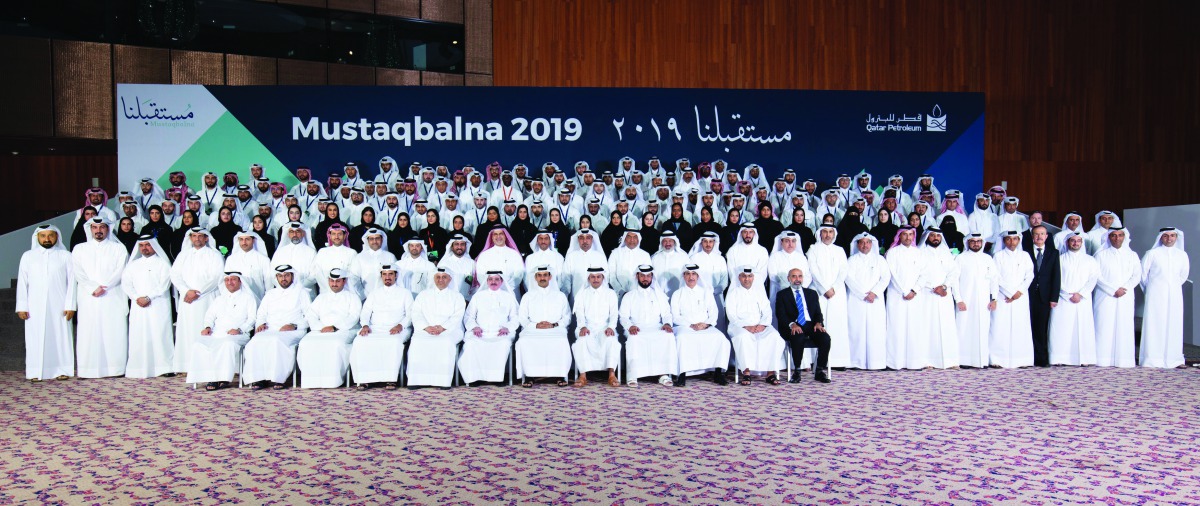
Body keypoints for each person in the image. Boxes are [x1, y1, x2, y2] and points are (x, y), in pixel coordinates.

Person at [16, 225, 76, 381]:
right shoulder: (28, 256)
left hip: (60, 305)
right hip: (34, 306)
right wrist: (22, 306)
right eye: (43, 236)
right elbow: (22, 283)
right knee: (35, 337)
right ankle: (35, 372)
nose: (47, 239)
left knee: (60, 336)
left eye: (51, 235)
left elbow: (72, 283)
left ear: (57, 237)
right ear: (37, 237)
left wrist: (70, 305)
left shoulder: (66, 256)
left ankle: (62, 370)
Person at [73, 217, 130, 378]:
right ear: (90, 229)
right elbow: (78, 272)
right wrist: (93, 287)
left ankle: (115, 369)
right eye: (95, 227)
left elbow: (121, 271)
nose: (98, 231)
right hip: (88, 297)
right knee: (89, 333)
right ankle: (87, 370)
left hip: (112, 296)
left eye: (102, 227)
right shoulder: (79, 249)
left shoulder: (118, 249)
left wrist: (104, 286)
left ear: (108, 229)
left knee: (113, 331)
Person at [243, 265, 312, 390]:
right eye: (280, 276)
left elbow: (310, 317)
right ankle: (259, 378)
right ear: (277, 278)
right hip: (270, 329)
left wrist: (295, 325)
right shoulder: (270, 294)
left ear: (292, 276)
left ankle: (279, 378)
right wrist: (260, 324)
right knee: (255, 342)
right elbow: (261, 314)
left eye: (286, 275)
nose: (283, 278)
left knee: (276, 341)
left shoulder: (302, 293)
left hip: (294, 330)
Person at [189, 271, 257, 391]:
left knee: (227, 344)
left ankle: (220, 379)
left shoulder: (248, 298)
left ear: (240, 281)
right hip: (217, 333)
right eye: (227, 280)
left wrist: (240, 329)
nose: (229, 282)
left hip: (239, 335)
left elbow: (253, 318)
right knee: (199, 344)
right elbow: (210, 315)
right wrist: (208, 327)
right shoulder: (219, 299)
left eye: (233, 279)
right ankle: (207, 377)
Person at [349, 264, 413, 390]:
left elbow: (411, 314)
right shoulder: (374, 293)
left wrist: (401, 325)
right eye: (384, 274)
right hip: (375, 328)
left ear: (396, 276)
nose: (387, 277)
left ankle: (390, 379)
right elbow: (366, 312)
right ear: (381, 276)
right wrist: (365, 325)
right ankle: (364, 379)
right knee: (360, 341)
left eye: (390, 274)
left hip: (398, 328)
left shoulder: (405, 293)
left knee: (393, 342)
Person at [296, 269, 361, 388]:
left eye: (338, 281)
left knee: (335, 344)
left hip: (344, 330)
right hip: (321, 330)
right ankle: (312, 380)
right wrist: (321, 327)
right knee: (305, 343)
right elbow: (311, 315)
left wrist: (335, 327)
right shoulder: (321, 297)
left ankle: (332, 381)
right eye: (332, 280)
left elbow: (354, 317)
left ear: (344, 281)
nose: (334, 284)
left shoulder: (353, 297)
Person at [122, 235, 174, 378]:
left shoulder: (163, 263)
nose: (145, 248)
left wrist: (148, 297)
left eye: (148, 245)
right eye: (142, 245)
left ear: (154, 246)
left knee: (160, 334)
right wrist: (136, 297)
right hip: (138, 305)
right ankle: (138, 368)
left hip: (158, 304)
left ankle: (164, 367)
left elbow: (164, 284)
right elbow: (126, 284)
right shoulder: (133, 265)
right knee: (139, 336)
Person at [618, 265, 678, 387]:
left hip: (656, 326)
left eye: (648, 276)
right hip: (636, 327)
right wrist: (630, 326)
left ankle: (663, 374)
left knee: (668, 336)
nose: (645, 278)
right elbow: (623, 317)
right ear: (637, 276)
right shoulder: (629, 296)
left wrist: (666, 324)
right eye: (642, 275)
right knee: (634, 338)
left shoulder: (659, 295)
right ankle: (633, 375)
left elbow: (666, 313)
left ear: (652, 277)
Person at [671, 264, 730, 386]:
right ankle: (682, 374)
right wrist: (691, 325)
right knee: (682, 339)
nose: (691, 277)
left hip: (705, 326)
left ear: (698, 276)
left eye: (693, 274)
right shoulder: (677, 294)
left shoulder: (706, 292)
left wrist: (706, 324)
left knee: (720, 338)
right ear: (684, 276)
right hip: (685, 327)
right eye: (688, 274)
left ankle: (718, 373)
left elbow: (714, 312)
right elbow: (675, 316)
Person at [406, 269, 466, 388]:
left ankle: (442, 381)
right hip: (425, 329)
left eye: (444, 277)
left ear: (450, 279)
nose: (440, 280)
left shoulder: (457, 296)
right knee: (417, 342)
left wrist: (443, 328)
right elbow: (416, 313)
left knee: (445, 342)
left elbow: (457, 317)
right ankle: (416, 380)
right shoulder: (423, 295)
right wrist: (426, 327)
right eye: (438, 277)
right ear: (434, 279)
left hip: (450, 330)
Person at [726, 268, 787, 386]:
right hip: (740, 326)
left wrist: (762, 325)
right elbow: (731, 315)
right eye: (744, 276)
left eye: (749, 276)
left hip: (760, 325)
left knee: (775, 337)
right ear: (739, 278)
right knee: (743, 338)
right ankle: (746, 372)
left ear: (753, 278)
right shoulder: (733, 293)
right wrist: (746, 326)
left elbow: (767, 311)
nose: (747, 279)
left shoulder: (759, 292)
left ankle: (770, 373)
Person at [515, 266, 573, 387]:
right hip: (532, 329)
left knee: (561, 341)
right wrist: (536, 325)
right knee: (524, 341)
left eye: (545, 275)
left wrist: (554, 325)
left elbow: (567, 317)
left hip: (555, 329)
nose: (542, 278)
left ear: (550, 277)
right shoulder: (527, 296)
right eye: (539, 275)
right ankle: (529, 375)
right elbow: (522, 318)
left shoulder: (560, 295)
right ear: (535, 278)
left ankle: (559, 375)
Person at [1048, 233, 1100, 366]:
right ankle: (1059, 358)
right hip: (1063, 299)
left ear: (1082, 243)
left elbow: (1093, 279)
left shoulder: (1090, 260)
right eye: (1073, 241)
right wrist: (1068, 294)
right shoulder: (1059, 259)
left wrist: (1081, 294)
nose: (1076, 243)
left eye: (1078, 241)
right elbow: (1055, 279)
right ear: (1067, 242)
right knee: (1061, 329)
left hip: (1083, 300)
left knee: (1083, 329)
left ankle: (1084, 359)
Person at [459, 271, 520, 385]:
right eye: (490, 279)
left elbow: (515, 317)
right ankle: (474, 378)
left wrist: (508, 328)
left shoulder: (508, 297)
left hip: (500, 333)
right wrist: (474, 327)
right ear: (486, 282)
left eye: (497, 279)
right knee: (471, 344)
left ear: (501, 282)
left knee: (503, 344)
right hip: (480, 332)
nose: (493, 282)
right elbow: (469, 316)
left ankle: (496, 378)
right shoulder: (478, 296)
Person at [1140, 228, 1189, 368]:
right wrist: (1151, 290)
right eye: (1166, 236)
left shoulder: (1182, 255)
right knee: (1154, 324)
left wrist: (1171, 287)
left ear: (1176, 237)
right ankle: (1152, 359)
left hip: (1174, 295)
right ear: (1161, 237)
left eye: (1172, 236)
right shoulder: (1152, 253)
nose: (1169, 239)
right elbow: (1143, 275)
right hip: (1155, 295)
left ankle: (1174, 360)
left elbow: (1183, 276)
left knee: (1174, 325)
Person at [774, 268, 832, 383]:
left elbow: (818, 313)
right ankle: (797, 371)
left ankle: (819, 370)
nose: (797, 279)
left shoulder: (811, 293)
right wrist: (792, 324)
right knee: (798, 337)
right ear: (788, 279)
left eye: (800, 276)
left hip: (811, 325)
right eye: (794, 276)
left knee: (825, 338)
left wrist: (818, 323)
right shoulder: (782, 294)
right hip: (793, 325)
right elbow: (780, 315)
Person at [1092, 227, 1139, 367]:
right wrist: (1112, 290)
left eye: (1120, 235)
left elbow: (1136, 275)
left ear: (1124, 237)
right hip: (1105, 296)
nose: (1117, 238)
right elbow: (1096, 276)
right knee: (1103, 325)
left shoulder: (1132, 255)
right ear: (1109, 237)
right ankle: (1102, 360)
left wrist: (1124, 288)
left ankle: (1124, 360)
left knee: (1124, 326)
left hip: (1126, 295)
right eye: (1113, 235)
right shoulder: (1100, 255)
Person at [806, 224, 850, 369]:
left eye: (830, 232)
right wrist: (825, 289)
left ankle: (837, 361)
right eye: (825, 232)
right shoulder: (813, 249)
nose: (828, 235)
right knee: (818, 324)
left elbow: (843, 271)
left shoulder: (840, 250)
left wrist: (834, 288)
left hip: (837, 293)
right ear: (820, 233)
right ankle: (818, 361)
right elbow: (813, 270)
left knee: (837, 325)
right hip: (819, 292)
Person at [916, 228, 960, 369]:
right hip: (926, 294)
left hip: (944, 295)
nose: (935, 238)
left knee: (946, 326)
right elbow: (917, 273)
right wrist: (933, 287)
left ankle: (950, 361)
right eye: (932, 235)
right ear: (927, 237)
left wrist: (945, 287)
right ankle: (927, 361)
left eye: (938, 236)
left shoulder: (946, 253)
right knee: (927, 327)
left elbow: (953, 272)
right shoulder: (920, 253)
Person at [844, 233, 889, 370]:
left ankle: (876, 362)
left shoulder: (880, 259)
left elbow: (886, 278)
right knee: (856, 330)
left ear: (872, 244)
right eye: (862, 243)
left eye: (868, 242)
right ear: (857, 245)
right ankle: (856, 362)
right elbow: (848, 278)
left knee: (875, 331)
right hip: (856, 300)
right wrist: (862, 294)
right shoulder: (851, 260)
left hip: (874, 300)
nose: (865, 245)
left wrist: (874, 293)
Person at [990, 231, 1035, 368]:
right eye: (1008, 239)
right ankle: (997, 359)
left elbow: (1030, 276)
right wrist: (1009, 292)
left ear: (1019, 240)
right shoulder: (998, 256)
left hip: (1020, 297)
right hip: (1003, 296)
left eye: (1015, 239)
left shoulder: (1025, 255)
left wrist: (1019, 292)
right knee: (1000, 326)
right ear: (1004, 241)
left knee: (1020, 326)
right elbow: (996, 277)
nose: (1012, 242)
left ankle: (1022, 360)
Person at [571, 266, 622, 387]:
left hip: (605, 326)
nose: (595, 279)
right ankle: (583, 375)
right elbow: (579, 313)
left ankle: (611, 374)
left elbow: (614, 313)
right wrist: (582, 326)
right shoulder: (582, 293)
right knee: (582, 341)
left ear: (603, 278)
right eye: (592, 277)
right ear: (588, 278)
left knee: (611, 340)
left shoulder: (610, 293)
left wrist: (611, 327)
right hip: (587, 326)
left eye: (598, 277)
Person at [955, 233, 999, 368]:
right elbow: (954, 281)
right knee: (964, 328)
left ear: (982, 243)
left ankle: (982, 361)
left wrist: (994, 298)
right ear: (967, 243)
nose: (975, 244)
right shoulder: (960, 258)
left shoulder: (988, 259)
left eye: (978, 241)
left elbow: (994, 280)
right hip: (965, 301)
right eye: (972, 241)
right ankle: (964, 360)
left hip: (984, 302)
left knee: (982, 329)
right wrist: (958, 299)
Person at [884, 226, 924, 370]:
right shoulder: (892, 253)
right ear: (899, 236)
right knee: (897, 328)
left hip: (915, 297)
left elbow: (924, 274)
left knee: (914, 328)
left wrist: (914, 290)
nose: (908, 237)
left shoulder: (919, 253)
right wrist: (904, 291)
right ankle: (895, 363)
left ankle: (914, 363)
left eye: (910, 234)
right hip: (897, 296)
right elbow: (892, 274)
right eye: (904, 235)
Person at [1026, 225, 1060, 367]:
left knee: (1041, 328)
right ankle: (1028, 357)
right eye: (1036, 234)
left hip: (1044, 297)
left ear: (1046, 236)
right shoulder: (1025, 252)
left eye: (1042, 234)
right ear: (1032, 236)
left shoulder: (1053, 253)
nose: (1039, 237)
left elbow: (1056, 276)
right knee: (1027, 327)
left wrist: (1054, 298)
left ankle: (1041, 359)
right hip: (1027, 295)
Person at [348, 228, 397, 297]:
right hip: (364, 297)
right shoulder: (359, 257)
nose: (374, 241)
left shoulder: (390, 257)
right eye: (371, 239)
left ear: (382, 239)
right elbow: (354, 277)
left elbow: (396, 277)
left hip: (387, 296)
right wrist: (363, 294)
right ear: (367, 241)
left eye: (377, 238)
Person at [271, 222, 318, 292]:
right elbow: (272, 273)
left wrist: (298, 287)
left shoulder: (311, 252)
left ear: (303, 234)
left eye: (298, 231)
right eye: (291, 232)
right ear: (288, 234)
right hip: (284, 291)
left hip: (305, 291)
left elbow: (314, 274)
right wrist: (286, 286)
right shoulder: (280, 252)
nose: (294, 234)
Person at [607, 230, 652, 297]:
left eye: (634, 237)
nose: (632, 240)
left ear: (638, 239)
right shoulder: (615, 253)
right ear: (625, 238)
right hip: (618, 294)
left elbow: (647, 276)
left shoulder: (645, 255)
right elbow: (611, 275)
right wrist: (620, 291)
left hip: (639, 294)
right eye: (629, 237)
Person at [725, 224, 769, 290]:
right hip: (737, 287)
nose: (748, 235)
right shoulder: (733, 250)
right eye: (745, 232)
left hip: (757, 288)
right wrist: (741, 285)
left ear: (754, 233)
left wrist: (752, 286)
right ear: (741, 233)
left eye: (750, 232)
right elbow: (732, 272)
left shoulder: (762, 251)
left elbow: (762, 273)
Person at [438, 232, 475, 298]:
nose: (459, 247)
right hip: (448, 299)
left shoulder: (472, 263)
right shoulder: (443, 263)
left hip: (467, 299)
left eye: (462, 244)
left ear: (466, 247)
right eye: (456, 244)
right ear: (451, 247)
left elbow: (475, 284)